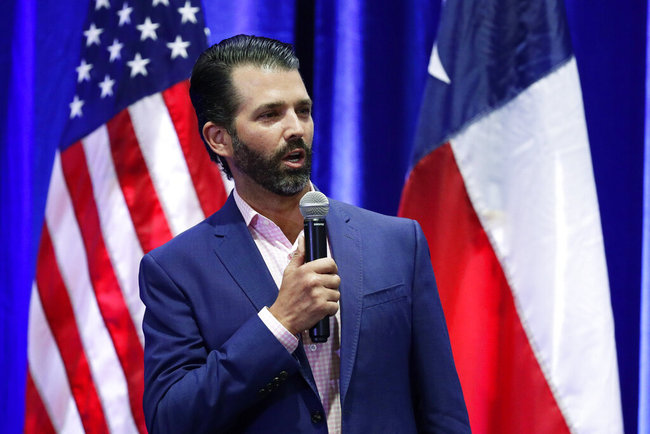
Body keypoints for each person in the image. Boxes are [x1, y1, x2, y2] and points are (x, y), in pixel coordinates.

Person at [139, 34, 470, 433]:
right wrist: (279, 324)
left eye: (303, 110)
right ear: (219, 138)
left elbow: (442, 411)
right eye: (270, 115)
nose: (296, 128)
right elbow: (171, 420)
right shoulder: (176, 270)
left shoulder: (398, 243)